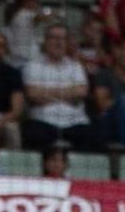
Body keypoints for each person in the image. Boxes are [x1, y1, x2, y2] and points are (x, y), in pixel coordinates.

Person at [19, 23, 103, 153]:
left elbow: (82, 92)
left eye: (62, 39)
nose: (58, 42)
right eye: (53, 38)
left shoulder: (76, 66)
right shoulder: (32, 66)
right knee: (32, 132)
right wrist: (69, 94)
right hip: (43, 121)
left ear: (67, 42)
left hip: (75, 122)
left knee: (94, 135)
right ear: (45, 41)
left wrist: (46, 93)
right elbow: (32, 94)